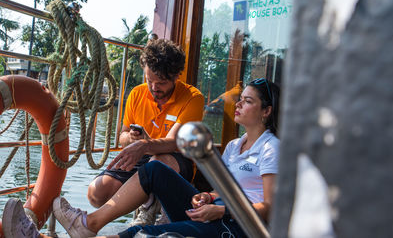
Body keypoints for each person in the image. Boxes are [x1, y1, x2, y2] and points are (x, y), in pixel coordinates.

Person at [2, 78, 280, 238]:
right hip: (215, 210)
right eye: (240, 98)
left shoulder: (272, 148)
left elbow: (268, 208)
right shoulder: (234, 146)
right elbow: (224, 190)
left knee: (144, 234)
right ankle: (88, 225)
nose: (239, 104)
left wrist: (220, 210)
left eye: (248, 101)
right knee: (155, 168)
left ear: (266, 112)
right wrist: (207, 197)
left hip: (238, 225)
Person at [88, 38, 204, 224]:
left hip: (176, 159)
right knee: (96, 193)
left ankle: (147, 209)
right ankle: (153, 198)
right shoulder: (137, 93)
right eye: (149, 80)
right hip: (140, 154)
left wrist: (144, 145)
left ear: (176, 76)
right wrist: (131, 139)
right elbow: (123, 135)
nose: (154, 87)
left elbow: (174, 142)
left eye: (161, 82)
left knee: (157, 163)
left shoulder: (193, 98)